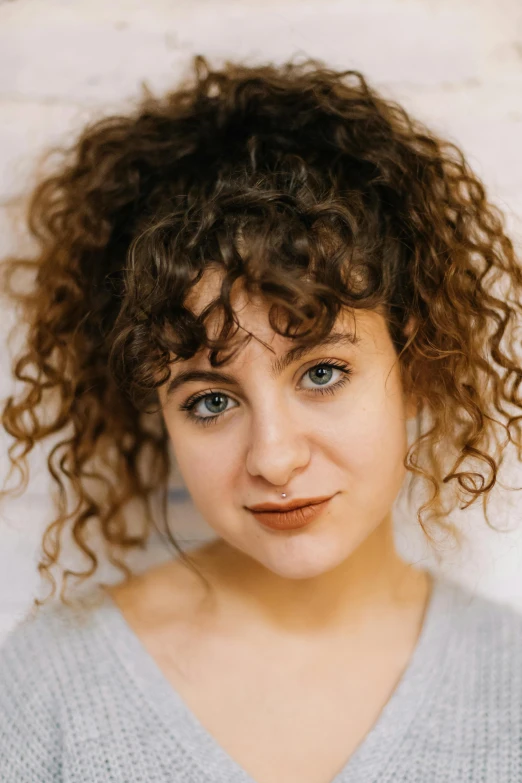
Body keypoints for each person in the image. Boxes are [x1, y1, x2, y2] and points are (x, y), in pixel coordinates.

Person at [0, 54, 522, 783]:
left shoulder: (512, 687)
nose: (273, 459)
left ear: (418, 364)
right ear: (160, 411)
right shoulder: (46, 691)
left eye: (322, 372)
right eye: (211, 401)